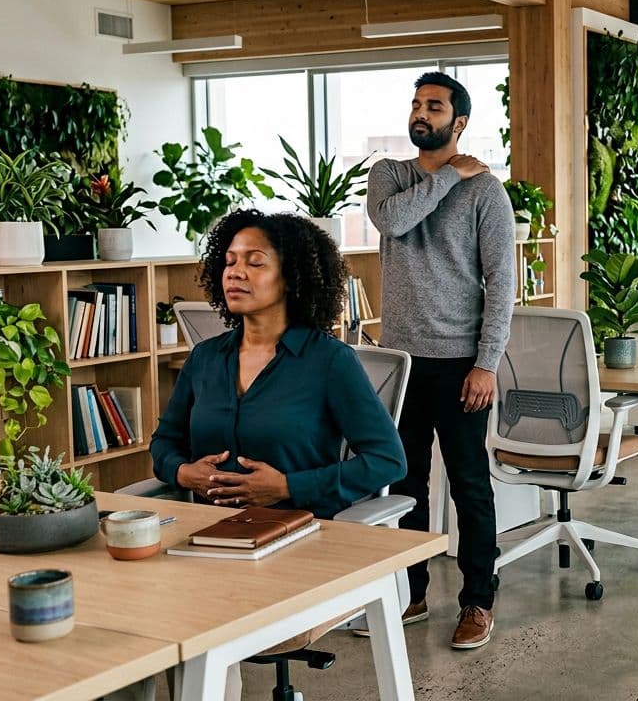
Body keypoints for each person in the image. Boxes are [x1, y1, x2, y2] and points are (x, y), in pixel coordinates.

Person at [149, 209, 407, 701]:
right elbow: (164, 444)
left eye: (254, 262)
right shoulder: (206, 359)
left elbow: (388, 460)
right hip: (202, 539)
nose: (235, 272)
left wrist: (288, 487)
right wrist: (185, 472)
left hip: (295, 544)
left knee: (196, 623)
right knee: (127, 625)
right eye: (228, 261)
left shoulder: (330, 362)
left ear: (291, 276)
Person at [365, 71, 514, 650]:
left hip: (460, 364)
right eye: (416, 104)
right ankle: (412, 591)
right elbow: (393, 221)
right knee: (405, 483)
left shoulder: (488, 193)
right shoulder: (390, 176)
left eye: (434, 106)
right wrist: (451, 172)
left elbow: (501, 284)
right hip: (399, 362)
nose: (421, 113)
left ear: (460, 122)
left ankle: (478, 599)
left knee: (470, 484)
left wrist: (487, 362)